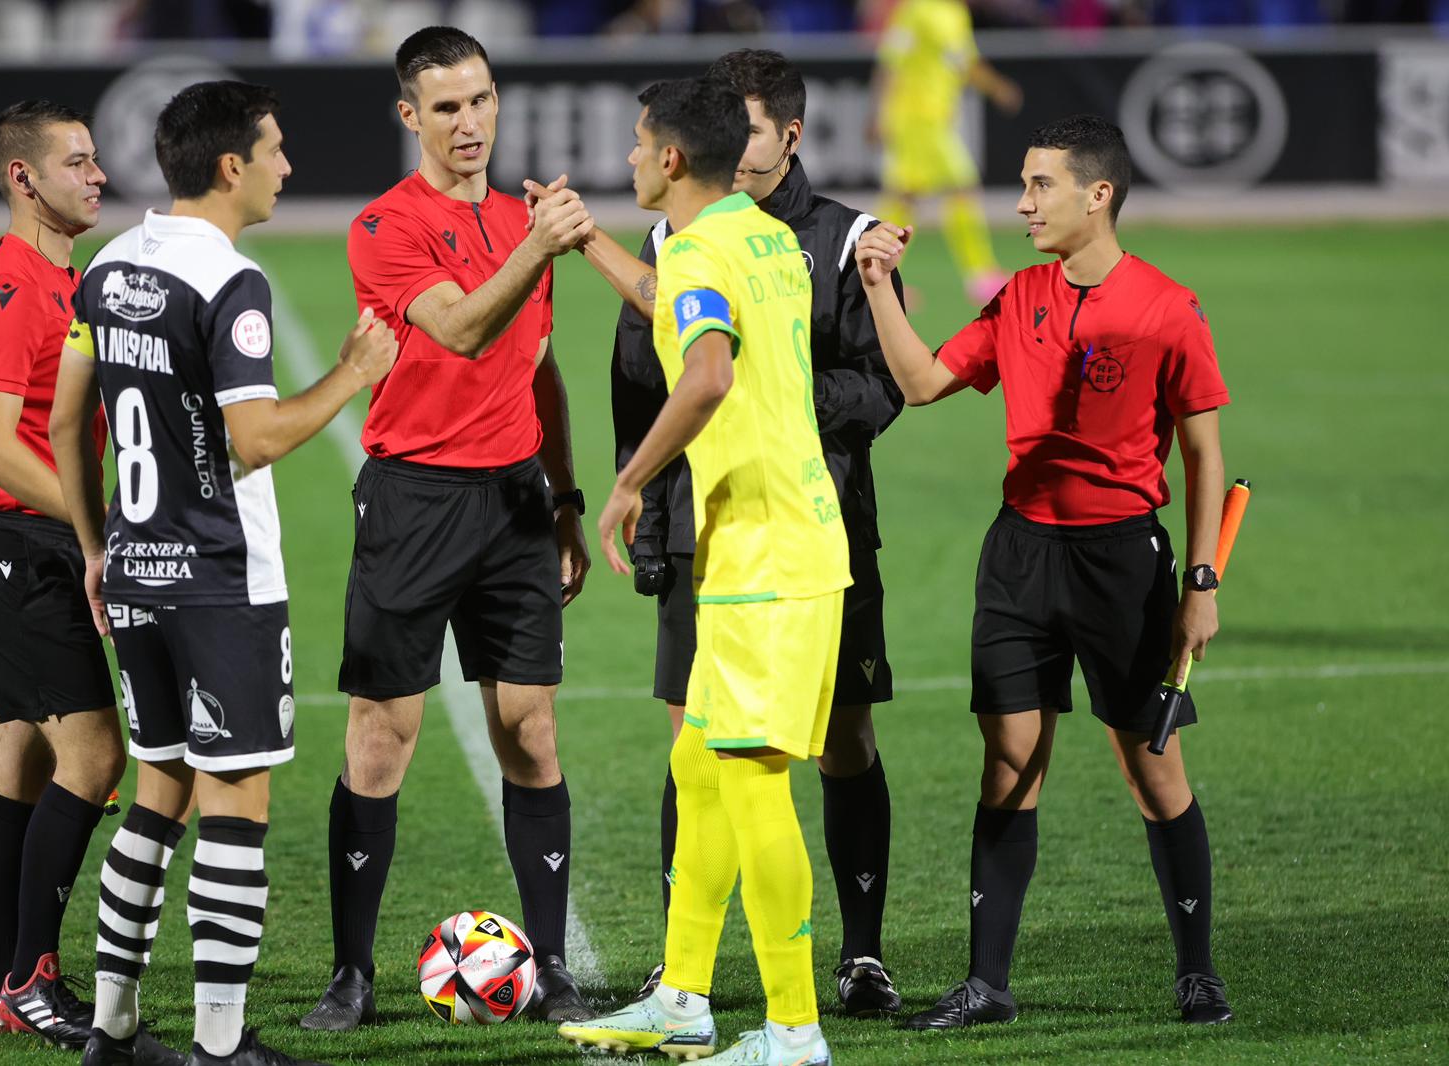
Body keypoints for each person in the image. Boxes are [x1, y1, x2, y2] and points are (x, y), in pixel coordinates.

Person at [532, 47, 906, 1017]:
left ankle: (793, 1021)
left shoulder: (718, 246)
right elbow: (670, 308)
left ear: (671, 159)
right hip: (766, 534)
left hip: (761, 544)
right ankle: (683, 990)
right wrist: (591, 242)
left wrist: (626, 482)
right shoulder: (764, 240)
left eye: (637, 144)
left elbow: (706, 371)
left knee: (752, 775)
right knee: (701, 762)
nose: (627, 158)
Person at [853, 114, 1235, 1029]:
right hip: (1020, 556)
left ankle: (1198, 972)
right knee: (1009, 764)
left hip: (1121, 562)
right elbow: (921, 383)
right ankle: (987, 984)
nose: (1022, 204)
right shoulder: (1019, 295)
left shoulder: (1167, 308)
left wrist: (1201, 585)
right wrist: (876, 289)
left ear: (1098, 195)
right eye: (1023, 185)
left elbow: (1203, 455)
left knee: (1153, 772)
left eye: (1040, 186)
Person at [50, 80, 397, 1066]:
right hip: (219, 583)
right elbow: (255, 440)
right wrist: (351, 373)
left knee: (159, 789)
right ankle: (219, 1042)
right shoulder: (228, 282)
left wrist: (96, 547)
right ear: (231, 165)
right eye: (275, 150)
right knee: (235, 805)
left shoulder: (108, 265)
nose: (287, 166)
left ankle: (112, 1030)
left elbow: (66, 421)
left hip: (137, 571)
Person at [300, 25, 595, 1031]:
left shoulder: (519, 219)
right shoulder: (384, 226)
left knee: (532, 729)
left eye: (480, 100)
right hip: (414, 500)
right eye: (445, 107)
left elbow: (540, 366)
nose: (468, 123)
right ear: (409, 115)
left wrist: (565, 499)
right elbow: (463, 329)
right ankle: (351, 974)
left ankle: (550, 964)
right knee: (382, 738)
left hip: (514, 502)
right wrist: (538, 245)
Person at [0, 98, 123, 1049]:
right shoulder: (11, 289)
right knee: (95, 758)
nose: (99, 176)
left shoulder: (67, 281)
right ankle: (31, 978)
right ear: (24, 177)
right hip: (20, 551)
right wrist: (98, 526)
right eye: (78, 162)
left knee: (18, 762)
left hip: (20, 549)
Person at [868, 0, 1022, 306]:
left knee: (904, 196)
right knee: (961, 187)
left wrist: (880, 113)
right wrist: (999, 88)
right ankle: (981, 274)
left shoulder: (940, 12)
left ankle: (873, 276)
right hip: (920, 120)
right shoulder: (928, 12)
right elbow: (895, 62)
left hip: (924, 120)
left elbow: (957, 63)